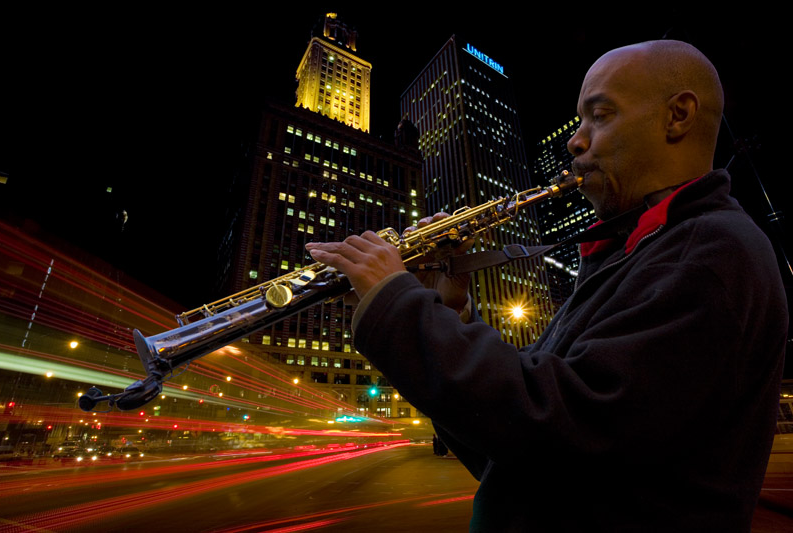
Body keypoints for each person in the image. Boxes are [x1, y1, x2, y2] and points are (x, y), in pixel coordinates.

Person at [306, 40, 787, 531]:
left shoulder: (711, 252)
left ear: (677, 116)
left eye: (599, 116)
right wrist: (448, 313)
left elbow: (562, 428)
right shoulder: (642, 249)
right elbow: (514, 458)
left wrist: (396, 303)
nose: (575, 142)